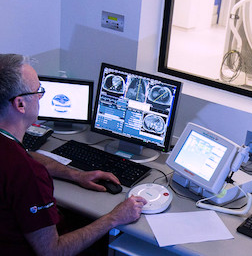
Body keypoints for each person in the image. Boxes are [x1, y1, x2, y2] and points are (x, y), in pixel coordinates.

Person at [0, 54, 147, 256]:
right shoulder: (27, 173)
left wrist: (76, 175)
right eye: (38, 92)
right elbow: (52, 251)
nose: (41, 97)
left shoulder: (10, 150)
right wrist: (114, 217)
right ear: (20, 105)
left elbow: (28, 155)